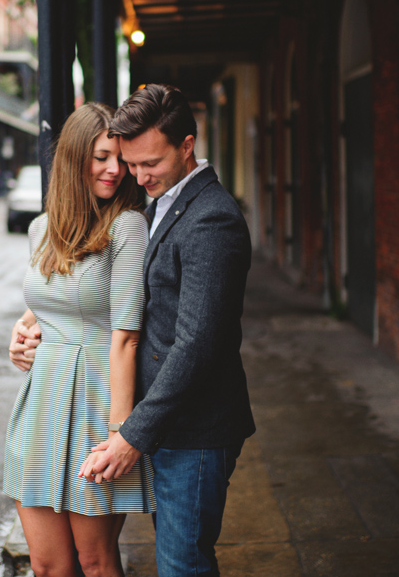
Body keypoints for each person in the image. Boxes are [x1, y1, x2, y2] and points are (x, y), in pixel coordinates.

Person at [56, 84, 252, 576]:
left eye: (151, 163)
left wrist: (132, 435)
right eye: (131, 163)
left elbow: (196, 345)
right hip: (172, 427)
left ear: (186, 146)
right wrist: (33, 321)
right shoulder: (161, 202)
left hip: (196, 431)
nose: (137, 176)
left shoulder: (212, 220)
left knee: (182, 566)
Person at [3, 102, 154, 577]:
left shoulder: (127, 226)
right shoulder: (40, 230)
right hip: (39, 406)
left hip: (96, 403)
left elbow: (127, 334)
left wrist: (119, 434)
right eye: (101, 156)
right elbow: (54, 297)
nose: (115, 169)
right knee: (49, 567)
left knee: (95, 562)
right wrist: (23, 325)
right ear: (72, 159)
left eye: (119, 157)